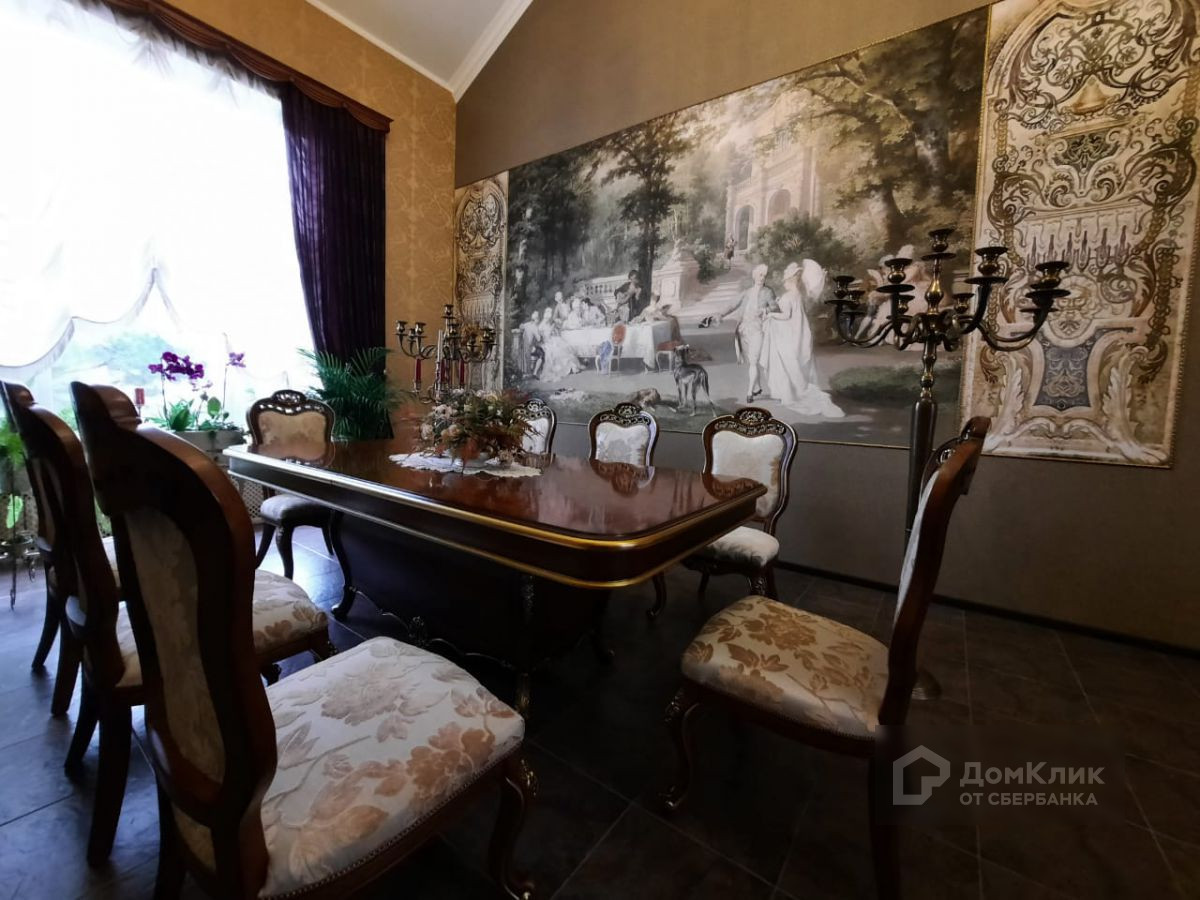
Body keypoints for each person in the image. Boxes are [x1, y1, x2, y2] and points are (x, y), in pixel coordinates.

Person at [762, 260, 844, 417]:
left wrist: (771, 314)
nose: (784, 283)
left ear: (790, 281)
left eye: (785, 281)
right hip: (800, 332)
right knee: (795, 364)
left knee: (788, 364)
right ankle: (794, 391)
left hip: (790, 335)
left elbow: (786, 316)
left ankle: (794, 393)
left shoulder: (788, 296)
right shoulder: (798, 295)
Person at [717, 263, 778, 402]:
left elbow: (775, 307)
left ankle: (749, 392)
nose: (762, 278)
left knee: (754, 361)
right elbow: (732, 304)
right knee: (751, 361)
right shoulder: (747, 292)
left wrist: (764, 310)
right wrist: (720, 314)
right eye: (760, 275)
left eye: (764, 275)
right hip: (743, 329)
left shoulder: (768, 292)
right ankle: (757, 387)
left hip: (758, 329)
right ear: (754, 276)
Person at [538, 305, 582, 381]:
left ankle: (572, 367)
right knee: (558, 350)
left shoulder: (548, 323)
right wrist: (552, 329)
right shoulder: (541, 325)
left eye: (550, 314)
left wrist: (555, 329)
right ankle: (566, 368)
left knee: (565, 347)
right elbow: (545, 336)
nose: (548, 318)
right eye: (548, 315)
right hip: (548, 342)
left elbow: (553, 332)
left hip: (552, 339)